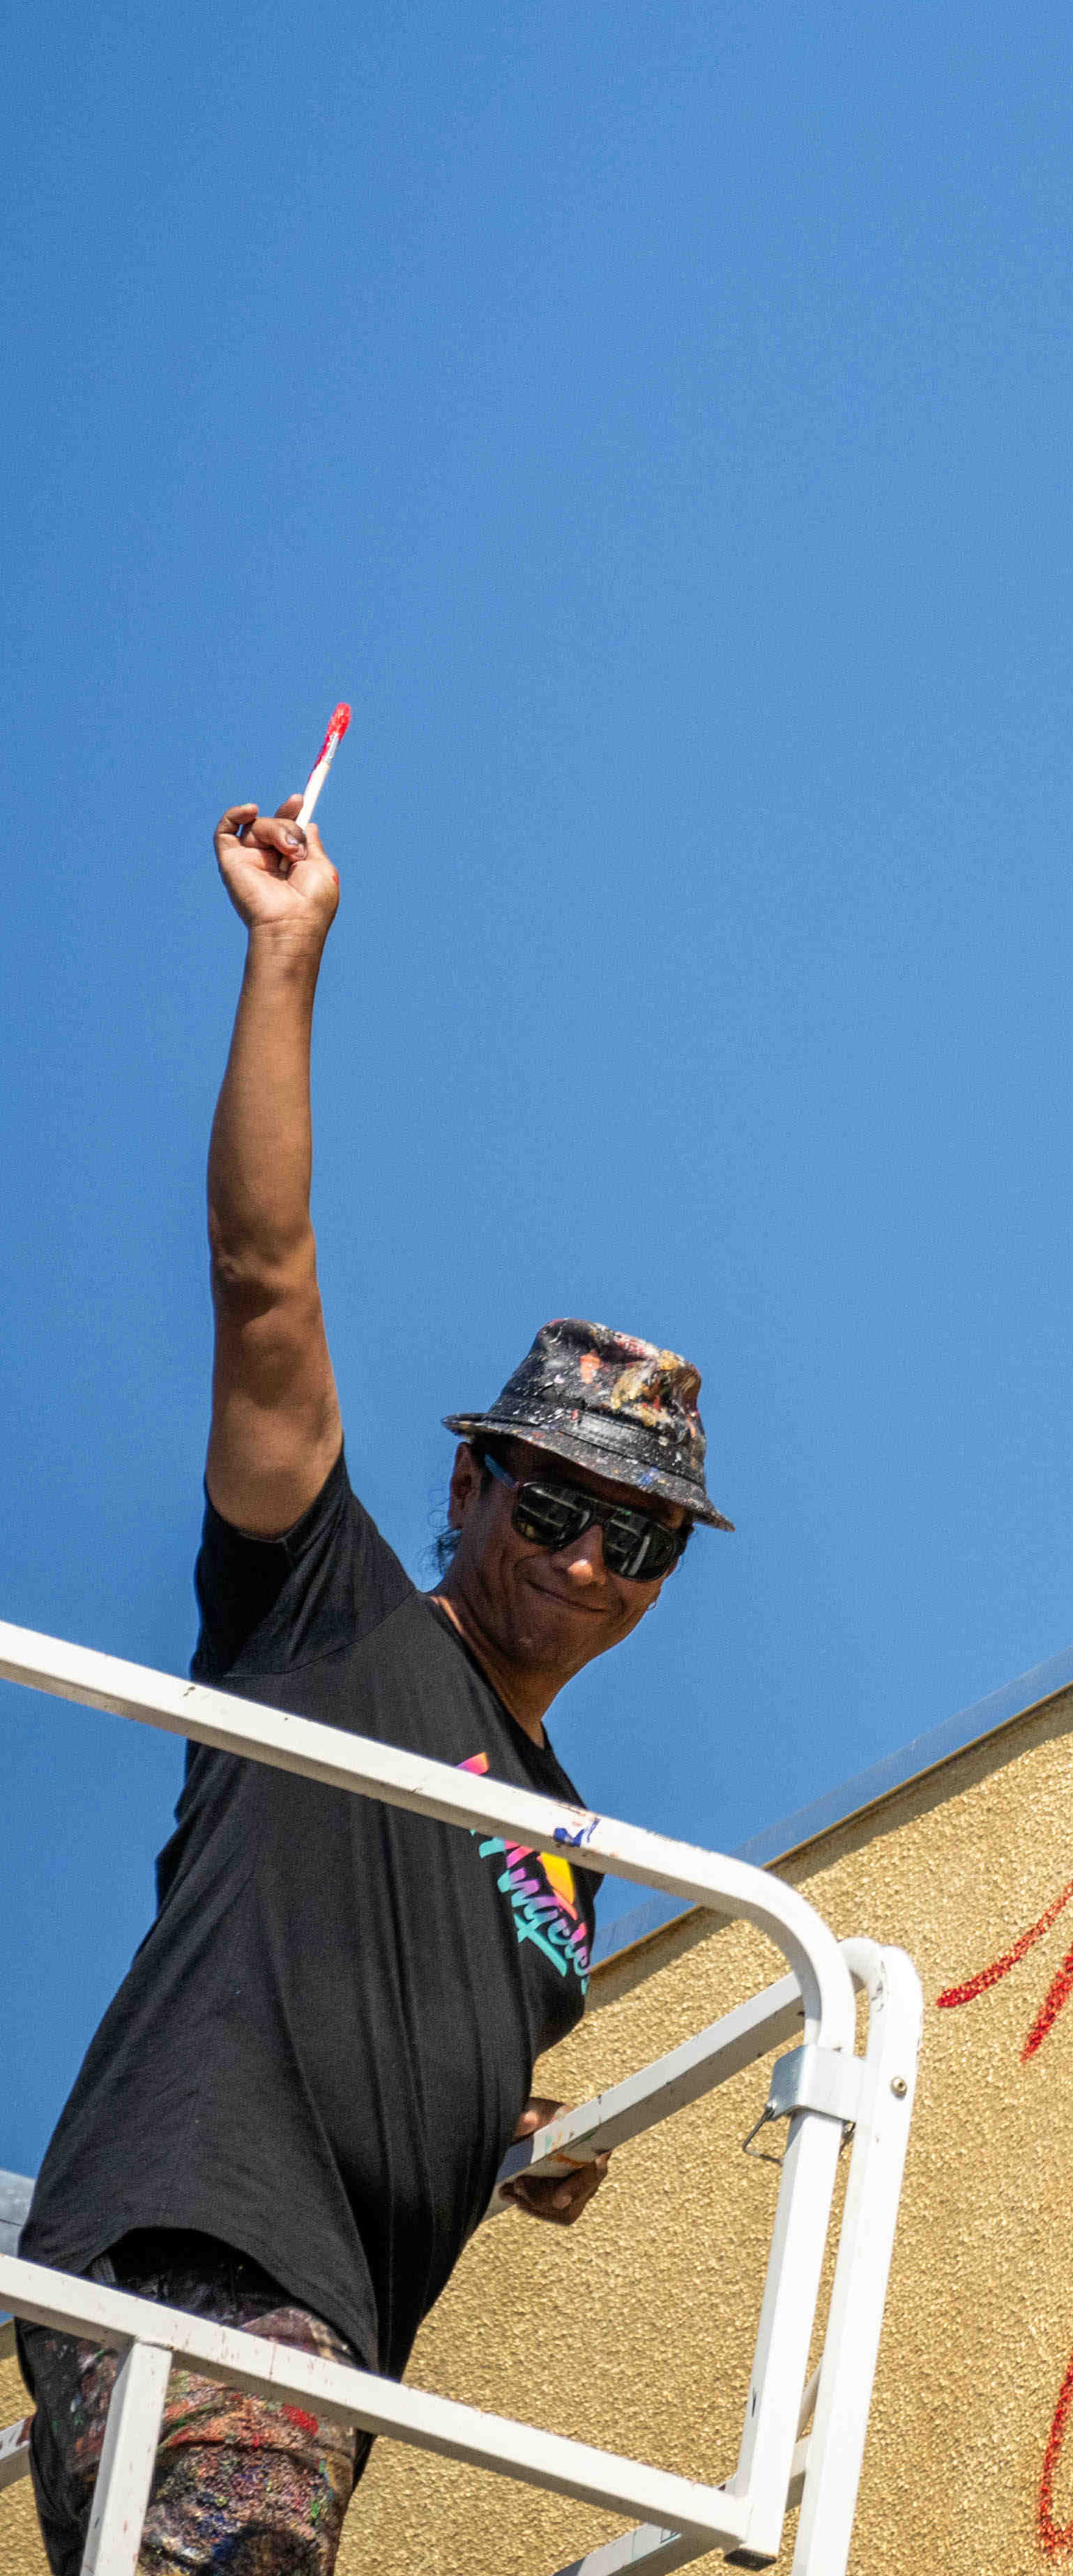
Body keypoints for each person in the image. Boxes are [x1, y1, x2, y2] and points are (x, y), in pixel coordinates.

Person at [13, 792, 733, 2576]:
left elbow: (405, 2007)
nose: (584, 1558)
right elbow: (263, 1287)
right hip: (199, 2253)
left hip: (326, 2343)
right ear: (472, 1482)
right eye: (555, 1501)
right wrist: (285, 956)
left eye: (637, 1537)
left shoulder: (566, 1852)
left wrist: (511, 2134)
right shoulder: (327, 1615)